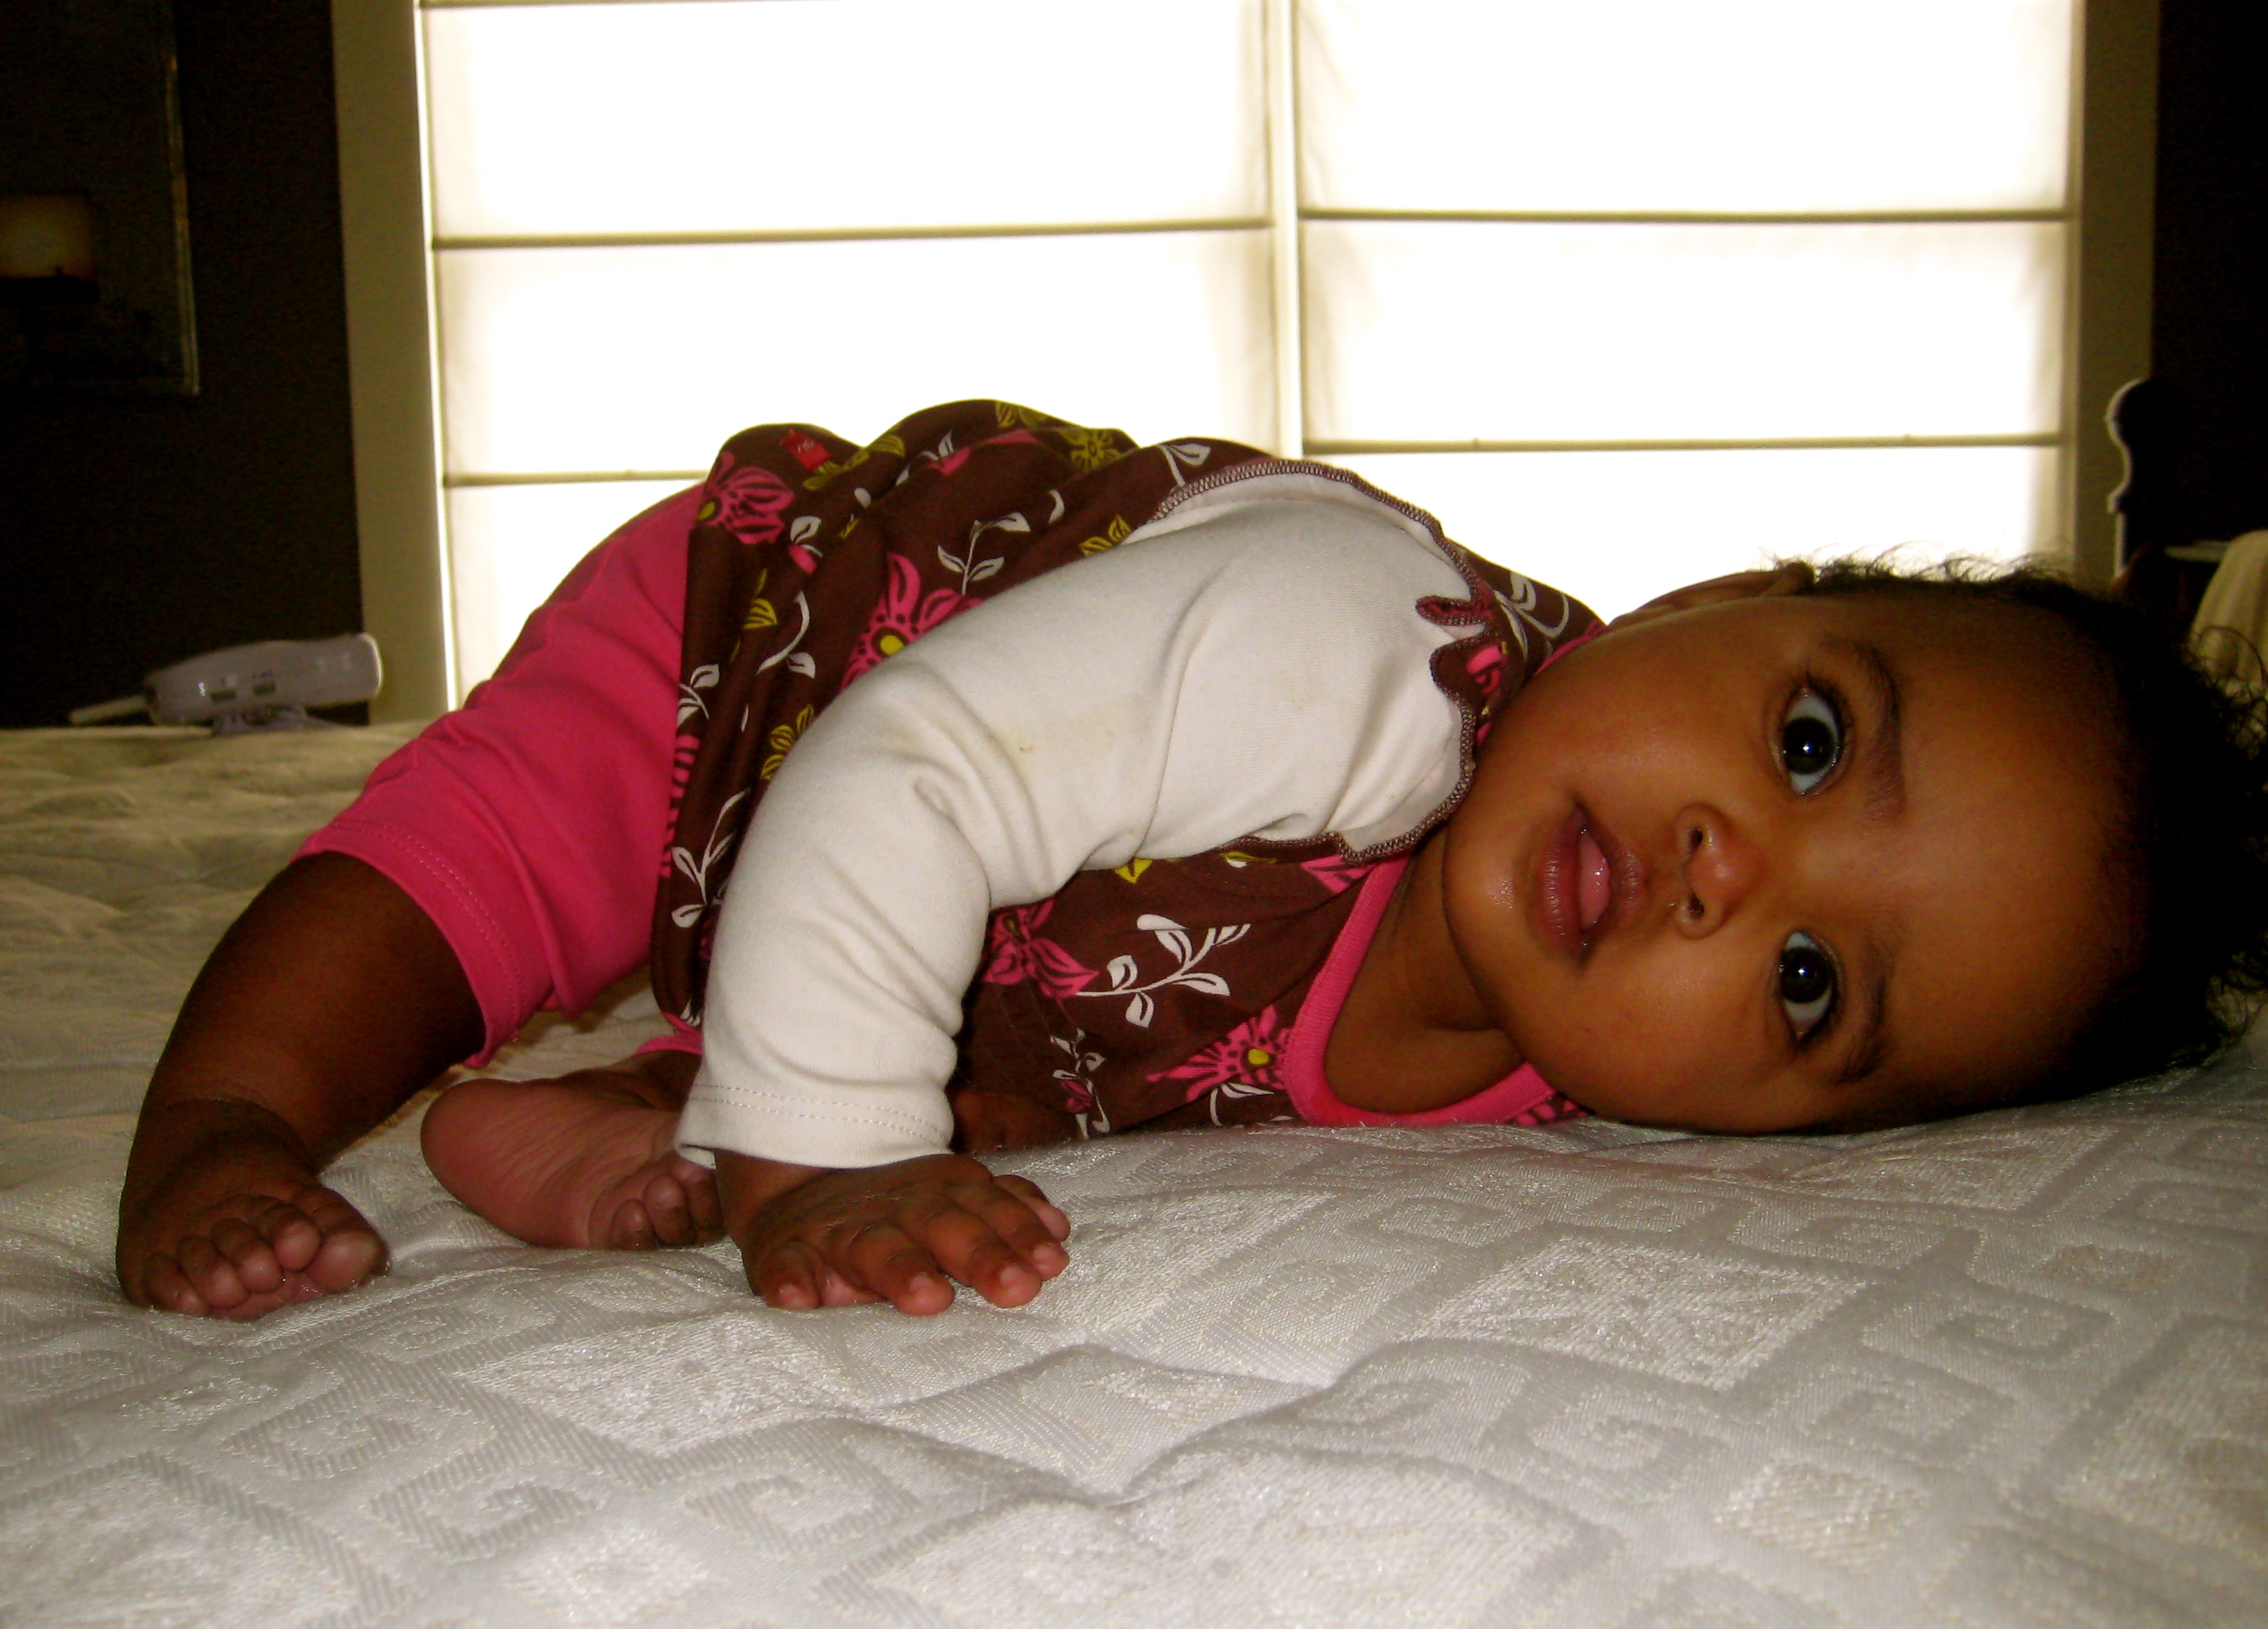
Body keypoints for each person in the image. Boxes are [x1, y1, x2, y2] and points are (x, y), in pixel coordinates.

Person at [112, 401, 2268, 1322]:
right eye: (1807, 742)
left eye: (1810, 985)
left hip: (1006, 919)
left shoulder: (1552, 1063)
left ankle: (616, 1114)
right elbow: (906, 769)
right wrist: (818, 1164)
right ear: (1716, 595)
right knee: (477, 877)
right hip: (772, 676)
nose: (1731, 874)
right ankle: (219, 1120)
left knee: (988, 1084)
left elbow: (1151, 1023)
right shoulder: (1368, 654)